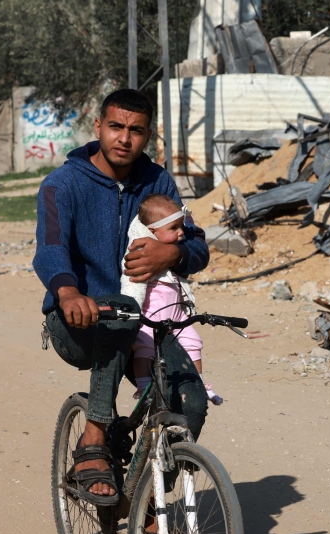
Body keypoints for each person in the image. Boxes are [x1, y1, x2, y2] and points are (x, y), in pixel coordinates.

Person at [33, 89, 210, 507]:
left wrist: (176, 252)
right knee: (119, 317)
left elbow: (197, 245)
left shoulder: (159, 182)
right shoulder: (62, 184)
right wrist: (68, 290)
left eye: (136, 130)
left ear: (148, 135)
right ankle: (93, 440)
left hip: (148, 323)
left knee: (192, 400)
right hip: (79, 322)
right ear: (98, 127)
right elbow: (50, 247)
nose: (124, 138)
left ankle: (153, 503)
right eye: (116, 126)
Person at [121, 193, 223, 405]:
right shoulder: (140, 256)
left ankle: (200, 383)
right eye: (174, 228)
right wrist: (131, 312)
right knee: (144, 345)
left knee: (194, 342)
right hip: (151, 315)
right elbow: (133, 285)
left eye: (181, 227)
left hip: (176, 314)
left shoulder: (166, 256)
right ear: (152, 231)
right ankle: (142, 387)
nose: (180, 233)